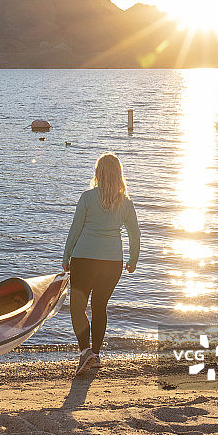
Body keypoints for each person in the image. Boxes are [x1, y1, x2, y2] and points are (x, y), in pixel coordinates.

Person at [62, 153, 140, 376]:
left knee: (77, 308)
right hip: (112, 263)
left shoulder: (87, 198)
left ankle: (85, 351)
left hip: (84, 260)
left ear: (97, 173)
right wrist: (133, 260)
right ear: (119, 175)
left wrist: (66, 256)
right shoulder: (126, 203)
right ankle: (95, 355)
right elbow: (135, 234)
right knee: (99, 307)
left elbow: (75, 229)